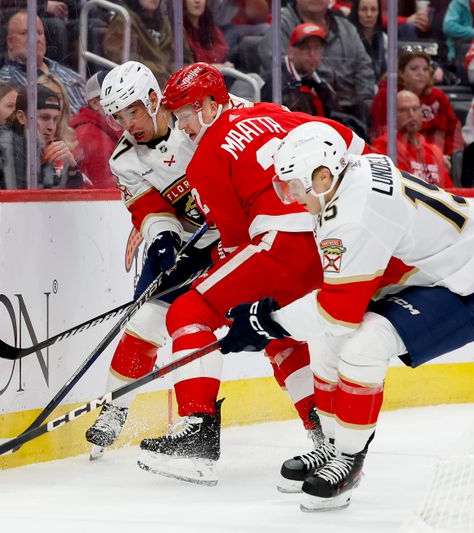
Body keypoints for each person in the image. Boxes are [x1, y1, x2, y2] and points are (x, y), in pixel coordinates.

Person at [218, 121, 474, 512]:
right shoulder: (342, 179)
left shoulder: (353, 213)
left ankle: (350, 459)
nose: (287, 195)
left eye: (292, 184)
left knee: (362, 344)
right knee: (324, 341)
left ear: (323, 176)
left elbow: (338, 313)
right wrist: (269, 319)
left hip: (464, 286)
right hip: (425, 270)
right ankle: (332, 445)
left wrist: (264, 321)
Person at [135, 63, 367, 486]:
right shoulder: (275, 112)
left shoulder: (205, 159)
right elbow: (354, 144)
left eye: (186, 113)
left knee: (190, 311)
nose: (182, 125)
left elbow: (237, 244)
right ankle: (323, 434)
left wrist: (194, 269)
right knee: (271, 321)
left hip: (282, 246)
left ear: (211, 105)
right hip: (327, 245)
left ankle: (197, 432)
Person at [83, 61, 225, 460]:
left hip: (236, 235)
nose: (129, 124)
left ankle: (319, 427)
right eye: (119, 117)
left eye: (133, 111)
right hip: (193, 242)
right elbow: (148, 209)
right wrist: (161, 237)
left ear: (152, 99)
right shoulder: (124, 159)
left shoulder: (193, 122)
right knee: (146, 320)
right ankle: (115, 409)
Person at [258, 0, 375, 119]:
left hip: (352, 108)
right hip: (306, 108)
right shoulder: (282, 24)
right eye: (306, 48)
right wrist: (319, 90)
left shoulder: (347, 28)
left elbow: (364, 67)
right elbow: (276, 64)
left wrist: (364, 101)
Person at [0, 10, 86, 114]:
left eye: (39, 33)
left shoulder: (72, 75)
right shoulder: (3, 83)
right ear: (10, 42)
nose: (35, 39)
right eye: (24, 33)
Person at [371, 50, 461, 156]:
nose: (421, 73)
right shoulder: (387, 95)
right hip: (400, 158)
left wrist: (451, 156)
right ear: (401, 72)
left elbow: (454, 130)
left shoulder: (439, 97)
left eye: (425, 69)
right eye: (414, 69)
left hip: (439, 158)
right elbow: (381, 132)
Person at [102, 0, 193, 86]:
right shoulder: (124, 20)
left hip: (172, 84)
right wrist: (163, 71)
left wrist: (181, 74)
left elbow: (185, 58)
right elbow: (126, 61)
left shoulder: (167, 21)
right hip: (140, 87)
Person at [372, 90, 452, 188]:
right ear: (393, 115)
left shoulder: (434, 152)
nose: (411, 114)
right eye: (404, 110)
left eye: (415, 109)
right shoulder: (384, 146)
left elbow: (450, 191)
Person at [14, 84, 83, 189]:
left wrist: (72, 167)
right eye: (44, 118)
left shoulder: (51, 150)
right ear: (21, 117)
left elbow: (75, 200)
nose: (51, 127)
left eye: (55, 119)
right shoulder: (4, 150)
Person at [265, 22, 338, 117]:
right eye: (306, 48)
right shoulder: (276, 84)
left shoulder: (325, 80)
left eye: (317, 48)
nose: (312, 54)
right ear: (291, 52)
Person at [68, 70, 120, 189]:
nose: (121, 103)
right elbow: (103, 192)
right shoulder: (92, 137)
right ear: (95, 103)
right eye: (113, 97)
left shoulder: (108, 130)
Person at [347, 0, 386, 82]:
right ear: (356, 12)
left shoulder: (384, 39)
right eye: (364, 9)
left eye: (373, 9)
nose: (369, 14)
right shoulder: (347, 38)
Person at [184, 0, 230, 66]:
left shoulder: (209, 27)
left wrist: (225, 65)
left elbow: (223, 52)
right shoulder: (179, 32)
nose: (197, 1)